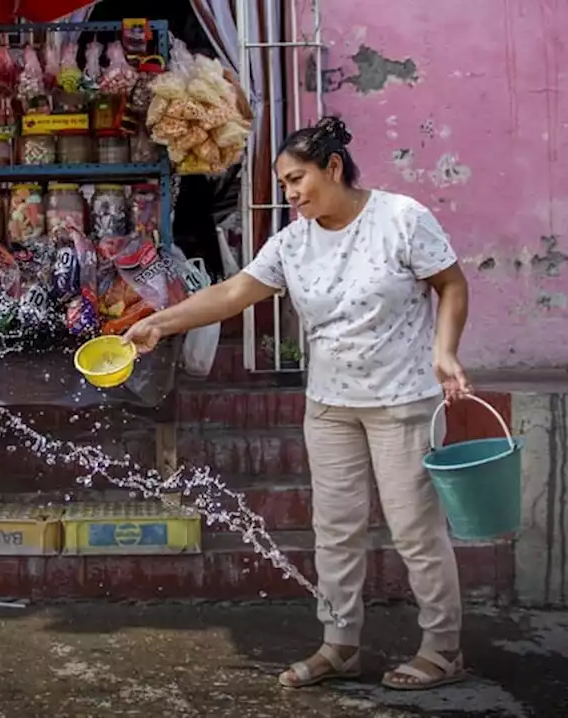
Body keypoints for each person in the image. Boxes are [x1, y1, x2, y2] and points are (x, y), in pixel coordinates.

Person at [122, 116, 473, 691]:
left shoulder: (402, 219)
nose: (290, 194)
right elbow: (234, 293)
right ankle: (340, 645)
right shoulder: (293, 242)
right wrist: (158, 322)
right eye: (284, 184)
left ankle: (443, 648)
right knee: (334, 531)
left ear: (333, 168)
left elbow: (451, 284)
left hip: (402, 401)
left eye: (296, 179)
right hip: (331, 406)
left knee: (415, 531)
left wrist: (445, 351)